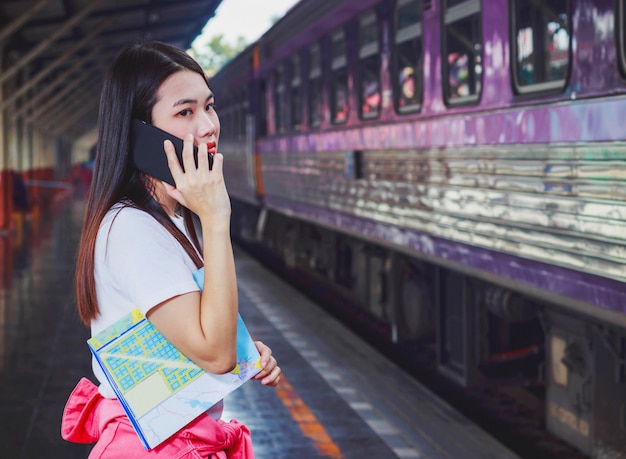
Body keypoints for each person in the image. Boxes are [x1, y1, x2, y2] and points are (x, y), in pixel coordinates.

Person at [61, 40, 281, 458]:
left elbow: (207, 337)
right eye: (185, 112)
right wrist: (217, 219)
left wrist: (245, 351)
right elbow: (214, 354)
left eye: (209, 106)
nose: (209, 125)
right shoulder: (131, 228)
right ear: (140, 133)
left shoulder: (174, 216)